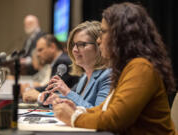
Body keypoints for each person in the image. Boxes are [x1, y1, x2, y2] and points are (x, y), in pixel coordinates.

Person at [52, 2, 177, 134]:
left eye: (104, 32)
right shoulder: (128, 68)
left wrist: (74, 117)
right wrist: (79, 110)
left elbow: (115, 119)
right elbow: (106, 109)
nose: (99, 40)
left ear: (122, 36)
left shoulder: (141, 68)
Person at [39, 21, 111, 108]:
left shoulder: (107, 76)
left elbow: (99, 114)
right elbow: (74, 100)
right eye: (74, 44)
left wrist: (67, 92)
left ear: (99, 46)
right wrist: (53, 99)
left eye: (81, 44)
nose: (74, 50)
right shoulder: (84, 77)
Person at [21, 34, 79, 103]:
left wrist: (30, 89)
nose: (38, 54)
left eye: (40, 50)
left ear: (52, 47)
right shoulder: (59, 60)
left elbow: (53, 88)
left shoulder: (62, 61)